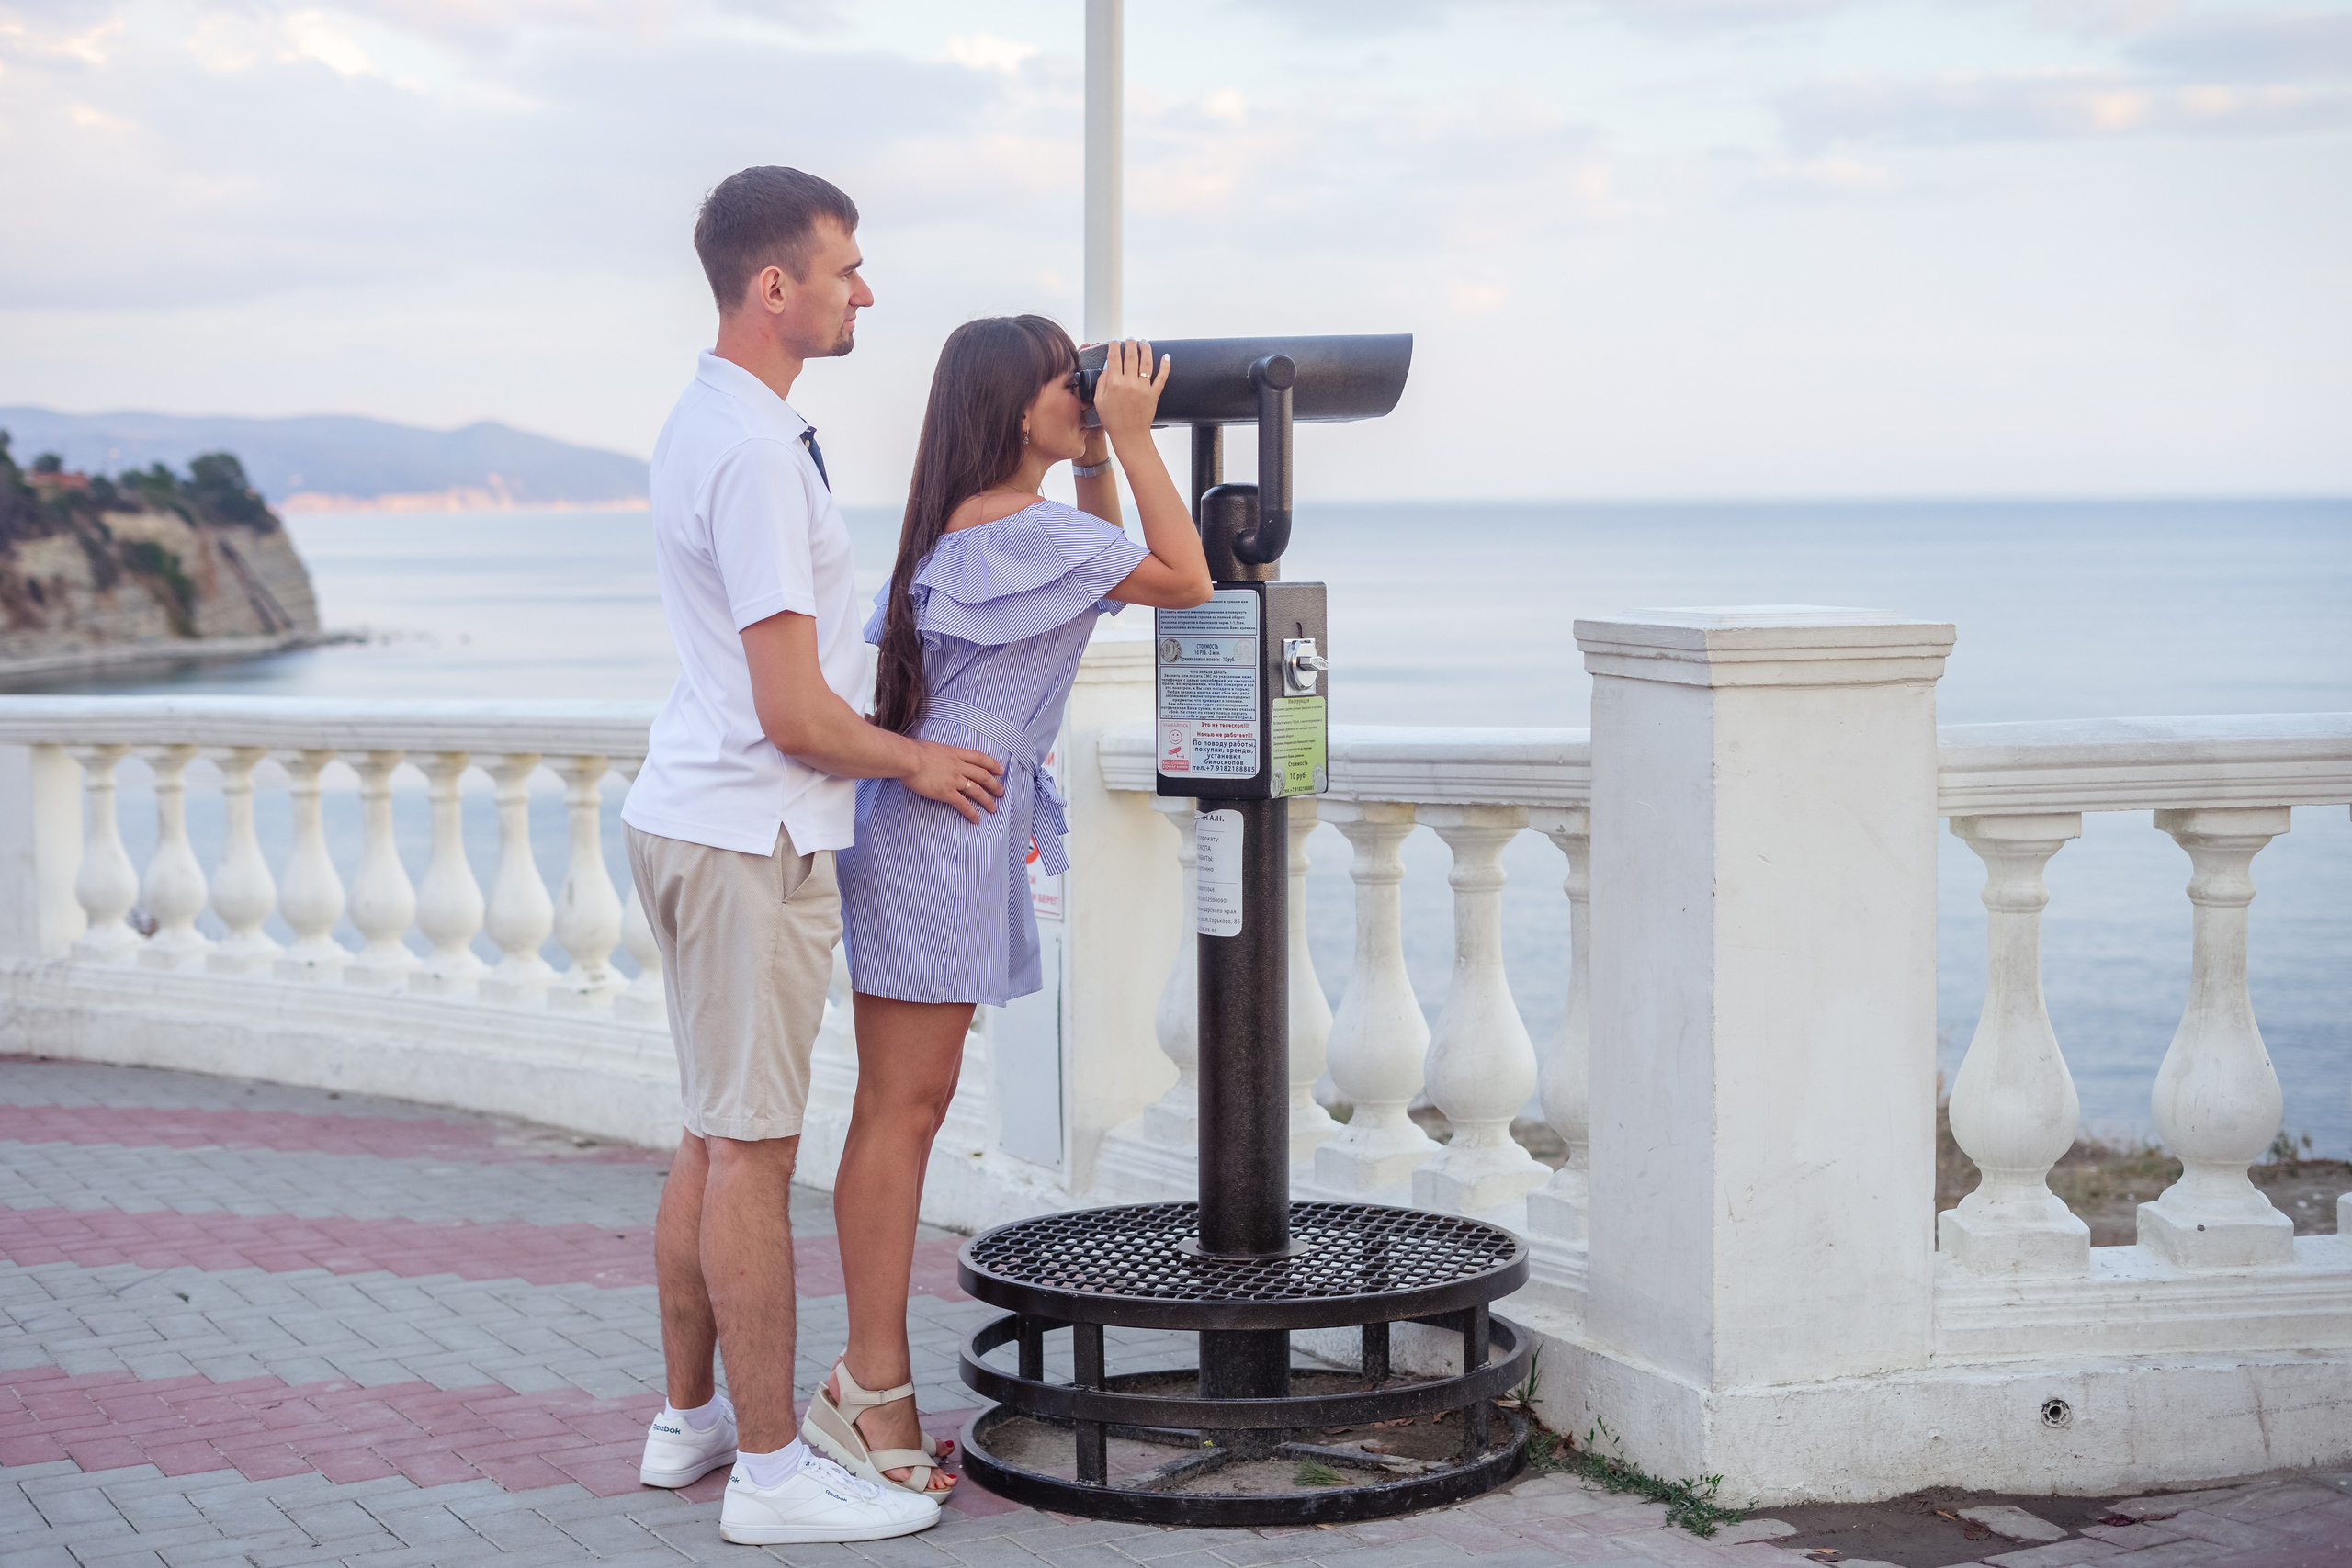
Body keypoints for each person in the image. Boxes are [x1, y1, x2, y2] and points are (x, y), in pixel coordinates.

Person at [620, 166, 1007, 1547]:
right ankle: (775, 1476)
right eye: (846, 266)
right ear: (773, 287)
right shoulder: (756, 453)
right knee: (750, 1152)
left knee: (712, 1128)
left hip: (692, 809)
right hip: (749, 832)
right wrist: (921, 760)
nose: (866, 289)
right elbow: (793, 711)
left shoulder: (711, 420)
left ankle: (690, 1421)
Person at [807, 321, 1212, 1493]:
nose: (1083, 396)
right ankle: (865, 1389)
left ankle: (865, 1381)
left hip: (939, 822)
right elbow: (1183, 583)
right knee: (902, 1112)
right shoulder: (1020, 530)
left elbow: (1096, 562)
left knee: (905, 1108)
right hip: (947, 829)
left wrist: (1094, 446)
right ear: (1007, 405)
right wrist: (1134, 439)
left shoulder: (975, 525)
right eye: (1064, 384)